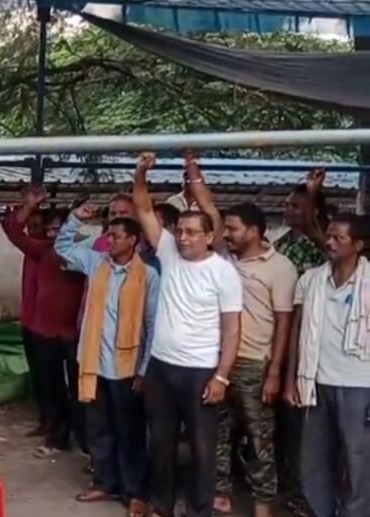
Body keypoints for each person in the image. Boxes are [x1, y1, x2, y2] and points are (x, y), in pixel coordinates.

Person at [132, 152, 243, 517]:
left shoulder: (223, 272)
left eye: (192, 232)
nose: (183, 237)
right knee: (160, 444)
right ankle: (161, 506)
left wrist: (221, 376)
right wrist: (141, 173)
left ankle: (200, 510)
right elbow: (143, 208)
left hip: (200, 371)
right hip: (162, 367)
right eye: (179, 230)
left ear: (209, 237)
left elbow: (232, 328)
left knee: (202, 449)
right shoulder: (167, 251)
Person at [54, 207, 158, 517]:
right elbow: (62, 246)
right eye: (109, 235)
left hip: (127, 368)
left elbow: (152, 325)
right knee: (98, 429)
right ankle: (104, 482)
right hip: (94, 364)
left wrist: (144, 370)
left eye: (116, 236)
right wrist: (76, 218)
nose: (109, 241)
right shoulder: (96, 263)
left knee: (130, 432)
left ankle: (134, 492)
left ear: (133, 241)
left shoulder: (148, 275)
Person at [213, 203, 297, 517]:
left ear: (253, 231)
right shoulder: (225, 260)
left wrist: (274, 373)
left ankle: (263, 506)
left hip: (255, 364)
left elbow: (284, 323)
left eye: (232, 228)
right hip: (221, 361)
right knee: (218, 433)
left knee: (259, 440)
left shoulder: (281, 267)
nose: (226, 234)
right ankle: (220, 496)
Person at [287, 212, 370, 517]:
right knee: (314, 460)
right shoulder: (311, 280)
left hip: (361, 386)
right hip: (316, 382)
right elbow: (297, 331)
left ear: (358, 245)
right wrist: (291, 380)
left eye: (339, 238)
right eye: (329, 236)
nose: (330, 242)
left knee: (358, 462)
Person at [6, 186, 87, 457]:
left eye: (57, 229)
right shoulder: (42, 250)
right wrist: (28, 206)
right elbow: (13, 231)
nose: (52, 234)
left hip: (74, 332)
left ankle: (83, 438)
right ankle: (58, 435)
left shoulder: (84, 254)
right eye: (50, 230)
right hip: (45, 331)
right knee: (52, 386)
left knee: (78, 388)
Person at [274, 170, 330, 517]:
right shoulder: (281, 244)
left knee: (305, 426)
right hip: (282, 339)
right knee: (284, 424)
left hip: (310, 343)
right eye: (287, 205)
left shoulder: (321, 241)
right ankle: (290, 486)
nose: (288, 210)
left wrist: (312, 193)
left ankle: (306, 492)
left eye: (295, 205)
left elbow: (313, 228)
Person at [1, 191, 47, 436]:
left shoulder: (48, 251)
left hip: (46, 326)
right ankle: (45, 419)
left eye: (39, 226)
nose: (34, 230)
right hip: (30, 321)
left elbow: (13, 230)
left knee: (50, 378)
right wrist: (27, 207)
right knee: (38, 374)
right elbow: (11, 227)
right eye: (32, 226)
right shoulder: (32, 250)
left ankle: (54, 423)